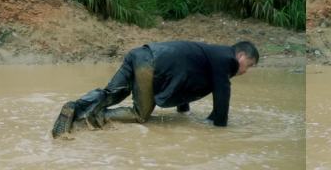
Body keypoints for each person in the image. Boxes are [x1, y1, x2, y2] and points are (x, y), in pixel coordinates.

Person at [51, 40, 259, 138]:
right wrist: (221, 130)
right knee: (140, 114)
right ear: (241, 56)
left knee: (113, 92)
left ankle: (75, 108)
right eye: (248, 65)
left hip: (140, 53)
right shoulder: (227, 60)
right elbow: (223, 94)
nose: (245, 71)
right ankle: (89, 120)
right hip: (151, 64)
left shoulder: (211, 54)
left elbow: (186, 78)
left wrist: (183, 112)